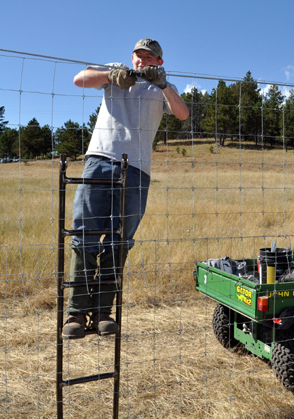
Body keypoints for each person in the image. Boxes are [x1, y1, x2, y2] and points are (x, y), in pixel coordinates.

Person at [62, 39, 189, 339]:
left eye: (149, 57)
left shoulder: (161, 89)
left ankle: (103, 312)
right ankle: (76, 314)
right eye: (138, 56)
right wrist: (110, 76)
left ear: (159, 62)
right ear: (131, 59)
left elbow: (182, 113)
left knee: (120, 241)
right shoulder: (115, 73)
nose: (142, 61)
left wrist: (164, 85)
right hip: (100, 160)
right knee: (84, 235)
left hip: (136, 171)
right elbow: (79, 79)